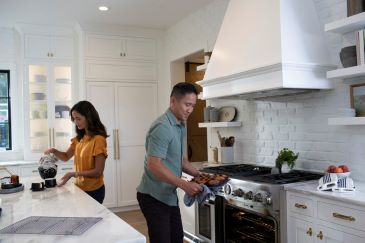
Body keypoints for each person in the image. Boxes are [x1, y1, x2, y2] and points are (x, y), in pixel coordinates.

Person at [137, 82, 203, 243]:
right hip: (153, 196)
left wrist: (200, 175)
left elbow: (180, 160)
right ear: (173, 101)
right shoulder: (162, 127)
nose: (190, 110)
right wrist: (184, 184)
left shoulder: (180, 124)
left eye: (193, 106)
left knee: (176, 238)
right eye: (187, 104)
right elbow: (154, 165)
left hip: (168, 195)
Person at [44, 100, 108, 204]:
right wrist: (54, 151)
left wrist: (73, 174)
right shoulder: (79, 139)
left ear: (89, 118)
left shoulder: (98, 140)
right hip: (79, 188)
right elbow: (65, 157)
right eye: (74, 119)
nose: (76, 122)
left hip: (94, 191)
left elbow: (98, 171)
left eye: (78, 118)